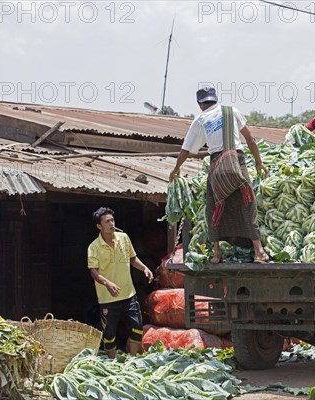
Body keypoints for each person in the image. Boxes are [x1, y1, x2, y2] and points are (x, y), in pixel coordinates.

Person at [169, 87, 269, 265]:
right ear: (215, 99)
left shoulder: (200, 119)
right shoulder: (232, 111)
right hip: (236, 161)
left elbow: (185, 149)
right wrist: (259, 162)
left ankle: (216, 253)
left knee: (214, 208)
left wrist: (176, 168)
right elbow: (250, 139)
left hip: (217, 164)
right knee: (247, 204)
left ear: (200, 104)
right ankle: (259, 251)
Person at [87, 207, 154, 358]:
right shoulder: (94, 247)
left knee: (137, 328)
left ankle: (131, 360)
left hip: (128, 294)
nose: (111, 223)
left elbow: (132, 258)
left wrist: (145, 268)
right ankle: (112, 363)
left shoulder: (124, 238)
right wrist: (107, 283)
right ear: (99, 226)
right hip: (108, 298)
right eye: (107, 221)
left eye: (112, 220)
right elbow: (93, 271)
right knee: (109, 334)